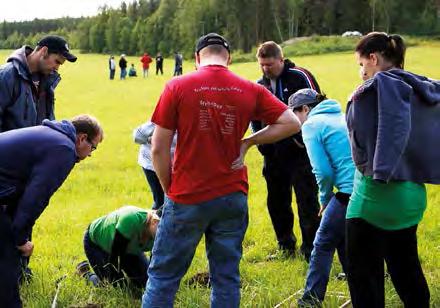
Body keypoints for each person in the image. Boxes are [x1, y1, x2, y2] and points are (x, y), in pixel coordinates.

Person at [141, 33, 300, 307]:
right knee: (226, 276)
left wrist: (169, 190)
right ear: (228, 57)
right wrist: (249, 141)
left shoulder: (177, 86)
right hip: (232, 195)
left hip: (188, 194)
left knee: (163, 276)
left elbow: (157, 148)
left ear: (196, 59)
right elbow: (292, 122)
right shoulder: (249, 88)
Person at [345, 32, 440, 308]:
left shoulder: (367, 94)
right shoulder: (424, 89)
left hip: (374, 201)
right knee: (406, 268)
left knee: (365, 280)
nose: (361, 72)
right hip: (413, 198)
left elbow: (360, 152)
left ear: (373, 59)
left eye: (361, 64)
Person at [0, 114, 103, 307]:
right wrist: (20, 240)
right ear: (81, 138)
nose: (90, 154)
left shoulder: (53, 136)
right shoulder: (63, 150)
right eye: (93, 147)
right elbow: (35, 199)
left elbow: (21, 194)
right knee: (6, 257)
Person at [251, 41, 321, 261]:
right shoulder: (258, 85)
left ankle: (311, 249)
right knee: (277, 201)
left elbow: (316, 107)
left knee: (307, 201)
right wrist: (262, 145)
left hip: (301, 154)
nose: (265, 69)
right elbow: (254, 117)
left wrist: (304, 140)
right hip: (273, 155)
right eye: (262, 65)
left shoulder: (300, 76)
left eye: (269, 64)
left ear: (281, 60)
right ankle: (285, 246)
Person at [288, 89, 354, 307]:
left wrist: (325, 199)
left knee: (323, 242)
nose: (296, 120)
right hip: (365, 187)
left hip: (347, 191)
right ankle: (357, 284)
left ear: (305, 109)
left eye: (295, 113)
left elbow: (323, 172)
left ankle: (310, 300)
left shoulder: (311, 125)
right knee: (342, 237)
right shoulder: (341, 115)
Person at [0, 35, 77, 132]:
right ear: (44, 51)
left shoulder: (47, 80)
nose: (57, 68)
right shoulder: (6, 76)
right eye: (57, 61)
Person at [80, 206, 160, 289]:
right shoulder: (130, 219)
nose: (164, 234)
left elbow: (157, 268)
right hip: (97, 244)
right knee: (116, 286)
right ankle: (86, 273)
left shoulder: (164, 235)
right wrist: (116, 277)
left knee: (147, 283)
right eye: (161, 228)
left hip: (128, 249)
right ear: (154, 221)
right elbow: (114, 259)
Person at [133, 121, 177, 209]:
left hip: (174, 165)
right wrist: (154, 139)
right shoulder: (160, 121)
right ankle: (154, 220)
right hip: (152, 164)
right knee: (161, 201)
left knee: (173, 201)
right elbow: (137, 136)